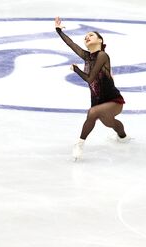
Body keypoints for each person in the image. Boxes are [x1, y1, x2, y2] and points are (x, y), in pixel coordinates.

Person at [55, 17, 129, 161]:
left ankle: (79, 144)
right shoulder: (87, 56)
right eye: (85, 36)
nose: (87, 37)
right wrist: (58, 30)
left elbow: (90, 79)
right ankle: (123, 137)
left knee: (93, 112)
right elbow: (71, 44)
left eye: (91, 35)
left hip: (114, 101)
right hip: (98, 102)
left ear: (100, 40)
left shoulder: (102, 55)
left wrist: (76, 69)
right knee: (110, 123)